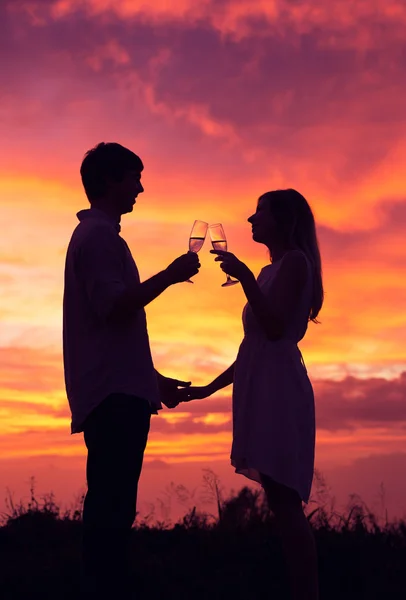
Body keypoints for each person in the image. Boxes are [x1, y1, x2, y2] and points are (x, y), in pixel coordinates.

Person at [62, 142, 200, 597]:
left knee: (114, 502)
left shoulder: (102, 237)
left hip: (119, 390)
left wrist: (152, 381)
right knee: (112, 505)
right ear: (109, 181)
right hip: (112, 399)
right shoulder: (99, 239)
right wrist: (171, 275)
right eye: (134, 177)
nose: (141, 187)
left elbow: (113, 334)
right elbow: (115, 309)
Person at [178, 189, 323, 600]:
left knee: (285, 500)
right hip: (262, 385)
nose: (250, 219)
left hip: (279, 390)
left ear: (284, 220)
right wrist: (209, 387)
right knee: (279, 501)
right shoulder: (268, 271)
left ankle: (307, 593)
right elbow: (254, 346)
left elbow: (275, 329)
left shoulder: (294, 263)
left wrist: (242, 277)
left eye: (259, 212)